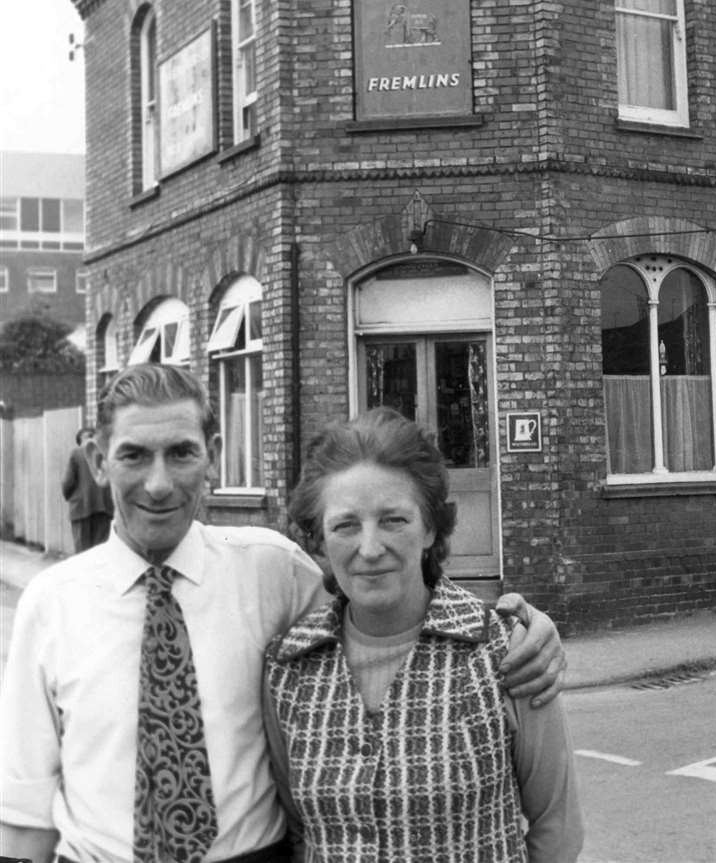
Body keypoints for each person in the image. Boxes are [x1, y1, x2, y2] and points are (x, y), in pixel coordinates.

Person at [0, 365, 566, 863]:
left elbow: (384, 601)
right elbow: (25, 810)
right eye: (133, 455)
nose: (158, 482)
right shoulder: (51, 604)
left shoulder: (268, 568)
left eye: (181, 452)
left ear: (212, 456)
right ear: (99, 462)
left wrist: (519, 625)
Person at [263, 408, 584, 862]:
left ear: (431, 527)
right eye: (345, 525)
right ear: (318, 541)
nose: (370, 549)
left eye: (394, 520)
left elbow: (558, 828)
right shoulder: (289, 669)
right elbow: (298, 833)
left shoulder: (503, 651)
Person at [60, 425, 114, 551]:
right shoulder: (106, 452)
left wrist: (72, 498)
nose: (92, 438)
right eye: (89, 435)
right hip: (104, 508)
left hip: (81, 508)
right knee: (100, 552)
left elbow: (67, 482)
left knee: (82, 553)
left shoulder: (76, 453)